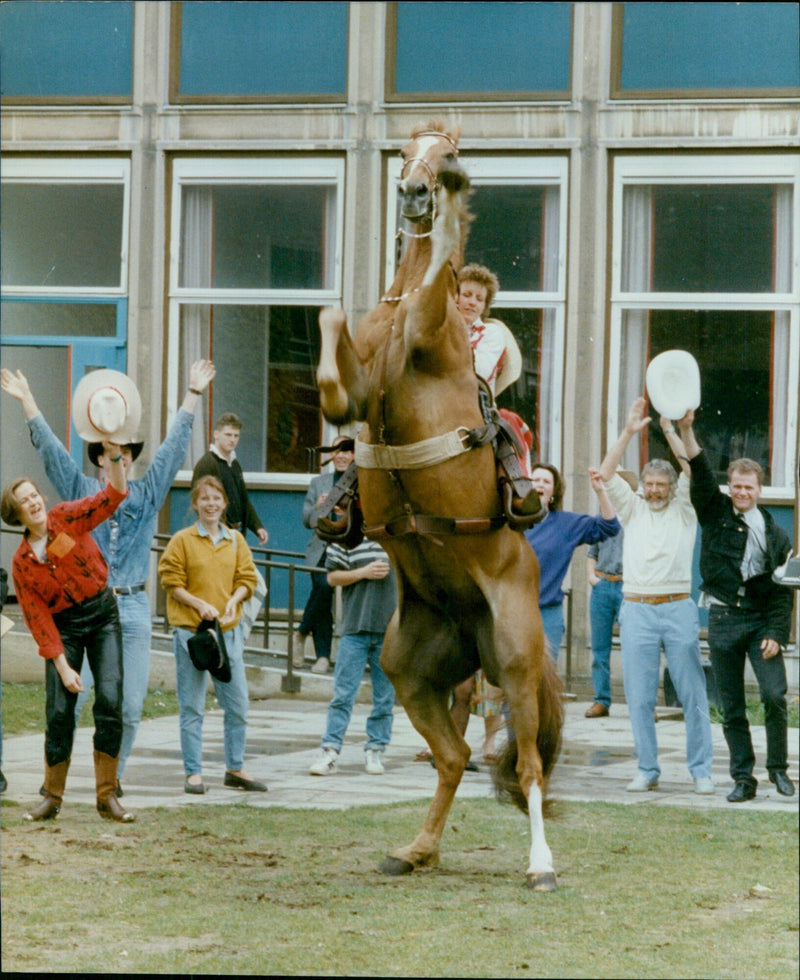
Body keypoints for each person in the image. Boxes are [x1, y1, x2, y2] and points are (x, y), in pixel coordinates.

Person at [1, 360, 216, 795]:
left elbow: (174, 450)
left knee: (128, 706)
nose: (115, 459)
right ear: (97, 456)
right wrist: (29, 403)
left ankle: (110, 780)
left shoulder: (145, 492)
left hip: (131, 608)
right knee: (71, 702)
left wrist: (193, 394)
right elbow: (51, 453)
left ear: (127, 456)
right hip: (82, 611)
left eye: (124, 452)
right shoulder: (79, 494)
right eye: (105, 453)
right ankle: (55, 784)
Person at [3, 451, 135, 822]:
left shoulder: (65, 517)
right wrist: (62, 667)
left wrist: (113, 458)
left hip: (103, 616)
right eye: (23, 502)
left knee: (110, 701)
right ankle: (52, 796)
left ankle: (107, 795)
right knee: (59, 711)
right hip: (65, 629)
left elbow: (110, 497)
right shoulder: (22, 563)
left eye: (33, 496)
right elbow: (38, 619)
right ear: (17, 517)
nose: (32, 503)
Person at [598, 397, 714, 795]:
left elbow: (691, 466)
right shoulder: (633, 509)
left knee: (692, 693)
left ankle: (701, 770)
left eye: (661, 485)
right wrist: (630, 430)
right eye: (650, 484)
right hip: (637, 610)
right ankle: (647, 768)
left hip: (678, 607)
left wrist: (671, 429)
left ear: (672, 487)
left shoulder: (685, 508)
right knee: (640, 696)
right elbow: (607, 471)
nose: (655, 491)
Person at [680, 416, 795, 802]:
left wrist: (777, 634)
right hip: (724, 619)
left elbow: (784, 591)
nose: (742, 492)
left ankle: (778, 770)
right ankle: (743, 779)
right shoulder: (714, 513)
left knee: (775, 696)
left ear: (759, 490)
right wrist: (684, 429)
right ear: (730, 487)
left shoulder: (777, 534)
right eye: (737, 486)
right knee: (731, 707)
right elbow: (697, 467)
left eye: (749, 487)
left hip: (761, 623)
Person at [158, 475, 265, 794]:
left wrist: (234, 602)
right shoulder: (182, 540)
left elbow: (247, 578)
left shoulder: (236, 540)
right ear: (195, 504)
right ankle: (194, 773)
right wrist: (197, 603)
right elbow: (170, 580)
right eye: (204, 499)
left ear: (224, 504)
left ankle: (235, 768)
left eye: (216, 499)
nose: (211, 504)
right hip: (192, 636)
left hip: (227, 634)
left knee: (238, 705)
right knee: (192, 706)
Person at [308, 537, 397, 776]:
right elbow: (331, 577)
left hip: (389, 631)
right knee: (343, 694)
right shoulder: (346, 540)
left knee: (385, 697)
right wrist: (363, 572)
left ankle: (376, 749)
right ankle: (330, 750)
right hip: (354, 629)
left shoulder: (396, 536)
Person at [524, 464, 621, 660]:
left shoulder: (565, 524)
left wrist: (600, 491)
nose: (540, 485)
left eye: (546, 481)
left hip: (547, 614)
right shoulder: (510, 522)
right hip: (513, 612)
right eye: (536, 480)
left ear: (553, 492)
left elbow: (610, 526)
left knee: (544, 679)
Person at [295, 435, 355, 675]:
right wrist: (320, 507)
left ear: (353, 455)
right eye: (335, 451)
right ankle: (322, 657)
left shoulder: (359, 481)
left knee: (324, 590)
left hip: (347, 547)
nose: (340, 456)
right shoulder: (319, 482)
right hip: (320, 547)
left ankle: (300, 633)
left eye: (346, 451)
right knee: (323, 591)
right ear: (330, 455)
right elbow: (307, 521)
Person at [585, 471, 639, 717]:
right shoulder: (603, 520)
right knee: (599, 648)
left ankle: (640, 701)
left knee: (635, 648)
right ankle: (602, 700)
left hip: (629, 588)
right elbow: (591, 553)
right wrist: (592, 578)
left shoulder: (638, 520)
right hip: (603, 585)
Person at [191, 412, 269, 546]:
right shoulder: (207, 463)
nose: (232, 439)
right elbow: (200, 503)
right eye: (228, 435)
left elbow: (243, 500)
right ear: (216, 434)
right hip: (216, 537)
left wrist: (257, 526)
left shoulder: (235, 464)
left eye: (236, 436)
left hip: (236, 535)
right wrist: (217, 532)